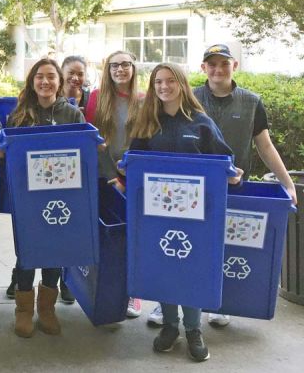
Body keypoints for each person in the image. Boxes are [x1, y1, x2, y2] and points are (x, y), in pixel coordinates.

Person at [128, 62, 242, 363]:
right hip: (157, 213)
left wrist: (232, 173)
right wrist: (123, 172)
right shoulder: (147, 122)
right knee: (165, 266)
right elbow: (134, 159)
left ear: (181, 84)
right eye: (158, 83)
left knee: (190, 268)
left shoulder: (200, 122)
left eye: (169, 81)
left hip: (196, 214)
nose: (164, 87)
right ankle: (169, 326)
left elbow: (223, 157)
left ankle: (193, 329)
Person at [193, 43, 298, 328]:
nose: (217, 69)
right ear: (203, 68)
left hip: (236, 188)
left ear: (234, 66)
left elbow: (264, 145)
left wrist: (288, 185)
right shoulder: (191, 98)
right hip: (196, 189)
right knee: (194, 245)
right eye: (211, 64)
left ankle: (218, 303)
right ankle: (181, 302)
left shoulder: (251, 101)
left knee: (228, 246)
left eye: (223, 63)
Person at [0, 58, 85, 338]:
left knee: (54, 250)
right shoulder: (21, 115)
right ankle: (23, 311)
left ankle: (47, 309)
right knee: (27, 253)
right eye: (39, 77)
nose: (45, 82)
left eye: (51, 77)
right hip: (27, 198)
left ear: (59, 82)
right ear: (32, 83)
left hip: (61, 198)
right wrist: (1, 150)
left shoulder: (72, 114)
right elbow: (7, 154)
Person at [84, 50, 143, 317]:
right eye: (114, 65)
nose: (120, 69)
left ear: (133, 68)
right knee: (108, 237)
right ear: (107, 70)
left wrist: (124, 179)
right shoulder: (96, 98)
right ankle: (103, 288)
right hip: (103, 177)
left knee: (133, 236)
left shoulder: (144, 100)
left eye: (125, 65)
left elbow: (145, 144)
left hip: (132, 179)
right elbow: (92, 143)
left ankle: (133, 294)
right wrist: (111, 177)